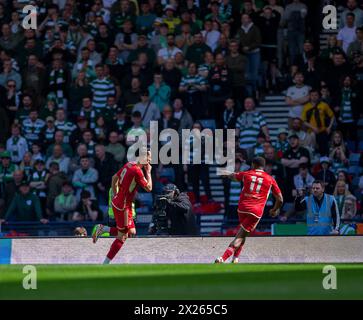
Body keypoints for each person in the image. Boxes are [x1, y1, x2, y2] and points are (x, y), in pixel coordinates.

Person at [215, 157, 283, 263]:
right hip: (255, 211)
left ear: (253, 164)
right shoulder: (270, 179)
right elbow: (280, 199)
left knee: (244, 233)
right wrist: (275, 209)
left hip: (242, 208)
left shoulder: (246, 174)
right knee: (240, 236)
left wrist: (222, 171)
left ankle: (235, 258)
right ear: (263, 166)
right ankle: (222, 258)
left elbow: (232, 176)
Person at [93, 150, 152, 264]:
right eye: (148, 158)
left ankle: (103, 229)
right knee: (122, 237)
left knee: (132, 232)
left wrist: (116, 194)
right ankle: (105, 264)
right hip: (123, 207)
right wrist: (148, 173)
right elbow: (149, 188)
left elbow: (114, 178)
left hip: (121, 203)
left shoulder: (129, 164)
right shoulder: (137, 171)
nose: (150, 161)